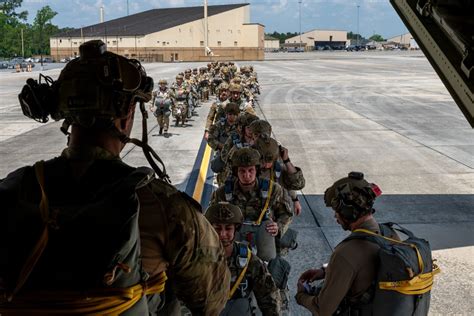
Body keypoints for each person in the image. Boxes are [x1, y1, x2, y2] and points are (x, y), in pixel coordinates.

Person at [0, 40, 230, 315]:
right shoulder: (164, 208)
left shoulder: (11, 192)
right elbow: (212, 299)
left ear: (65, 114)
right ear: (127, 114)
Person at [296, 171, 396, 315]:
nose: (335, 215)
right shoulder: (391, 234)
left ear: (347, 211)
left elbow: (322, 309)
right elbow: (366, 270)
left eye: (336, 210)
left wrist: (301, 296)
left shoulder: (345, 253)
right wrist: (326, 271)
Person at [205, 202, 281, 316]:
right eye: (217, 228)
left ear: (236, 229)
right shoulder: (196, 258)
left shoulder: (249, 259)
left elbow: (269, 297)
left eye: (228, 228)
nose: (222, 234)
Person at [210, 148, 284, 262]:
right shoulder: (222, 193)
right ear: (235, 172)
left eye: (251, 170)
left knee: (271, 259)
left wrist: (278, 226)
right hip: (235, 232)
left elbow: (286, 213)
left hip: (263, 231)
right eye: (242, 171)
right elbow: (210, 217)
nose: (247, 175)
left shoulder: (272, 189)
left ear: (257, 170)